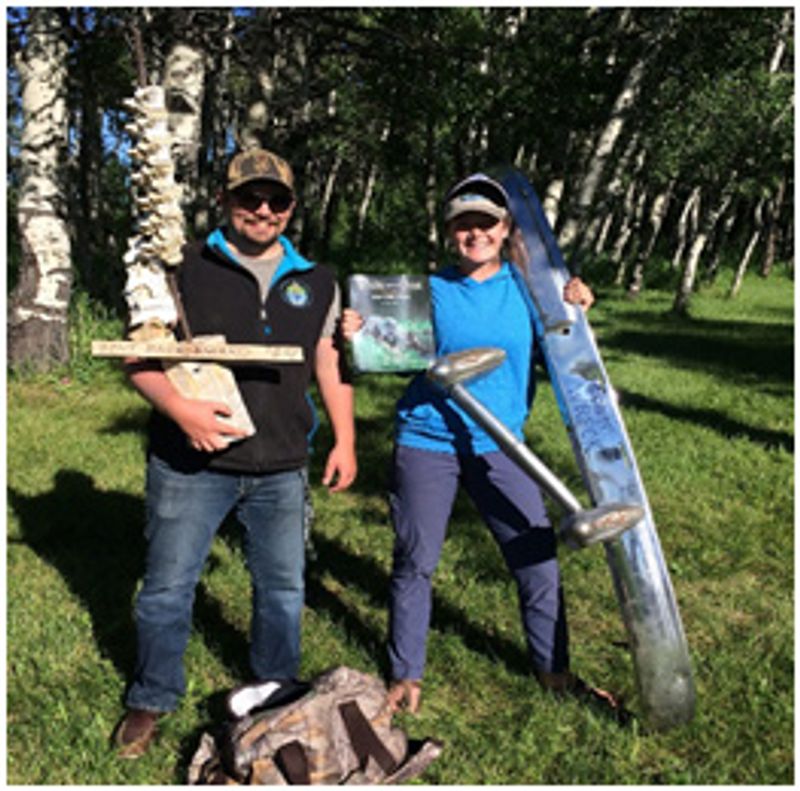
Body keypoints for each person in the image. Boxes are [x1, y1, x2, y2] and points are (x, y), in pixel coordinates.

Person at [343, 173, 621, 716]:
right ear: (450, 233)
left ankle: (553, 670)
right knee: (414, 562)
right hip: (428, 439)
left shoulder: (532, 290)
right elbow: (386, 353)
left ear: (504, 228)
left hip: (502, 446)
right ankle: (405, 676)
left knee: (537, 561)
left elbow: (567, 355)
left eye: (485, 223)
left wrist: (577, 307)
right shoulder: (427, 293)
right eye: (463, 224)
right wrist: (358, 330)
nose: (475, 233)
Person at [114, 148, 356, 758]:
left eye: (276, 200)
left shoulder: (319, 280)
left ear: (292, 208)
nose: (263, 210)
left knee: (281, 590)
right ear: (224, 201)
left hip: (281, 466)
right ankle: (151, 696)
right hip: (191, 463)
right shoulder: (180, 266)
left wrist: (345, 439)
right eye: (249, 197)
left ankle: (272, 695)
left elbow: (329, 361)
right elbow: (138, 356)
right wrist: (180, 411)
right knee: (168, 587)